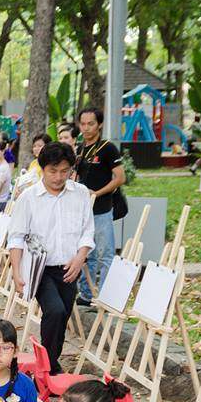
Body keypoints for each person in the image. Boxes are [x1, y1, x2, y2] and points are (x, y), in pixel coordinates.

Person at [9, 142, 94, 375]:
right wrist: (16, 272)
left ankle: (48, 362)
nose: (58, 177)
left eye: (64, 171)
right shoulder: (29, 197)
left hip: (69, 267)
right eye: (52, 171)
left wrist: (80, 258)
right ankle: (48, 368)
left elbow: (88, 231)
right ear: (43, 169)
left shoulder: (80, 194)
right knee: (54, 311)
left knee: (62, 316)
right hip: (40, 268)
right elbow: (16, 237)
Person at [75, 106, 125, 305]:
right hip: (84, 211)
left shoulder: (108, 148)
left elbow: (120, 178)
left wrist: (96, 193)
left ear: (100, 124)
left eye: (91, 124)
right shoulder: (80, 148)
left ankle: (105, 298)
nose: (86, 128)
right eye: (83, 124)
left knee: (106, 254)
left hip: (102, 209)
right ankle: (86, 294)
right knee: (88, 253)